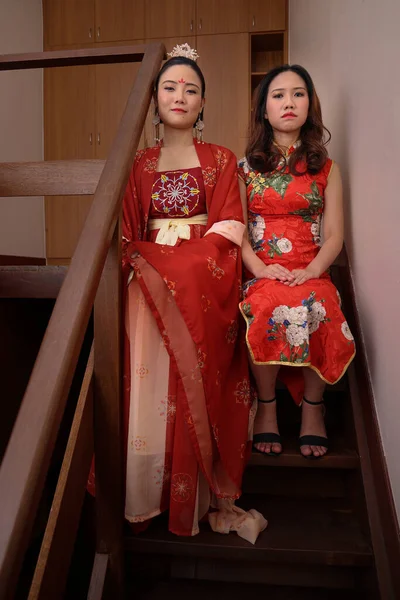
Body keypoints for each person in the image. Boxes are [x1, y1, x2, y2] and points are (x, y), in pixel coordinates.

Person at [120, 44, 266, 540]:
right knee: (140, 298)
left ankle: (195, 489)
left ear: (203, 103)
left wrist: (177, 258)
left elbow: (228, 227)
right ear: (153, 99)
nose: (180, 96)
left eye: (191, 89)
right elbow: (124, 232)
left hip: (201, 275)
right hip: (149, 282)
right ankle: (146, 489)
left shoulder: (221, 158)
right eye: (169, 87)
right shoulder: (137, 163)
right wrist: (151, 257)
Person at [238, 64, 356, 460]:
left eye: (298, 93)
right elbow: (237, 230)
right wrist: (258, 268)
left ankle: (313, 410)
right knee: (264, 304)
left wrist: (313, 270)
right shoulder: (244, 168)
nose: (289, 102)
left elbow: (336, 233)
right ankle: (267, 407)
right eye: (278, 95)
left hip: (311, 266)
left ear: (310, 104)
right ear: (263, 110)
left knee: (321, 303)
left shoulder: (327, 168)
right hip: (263, 268)